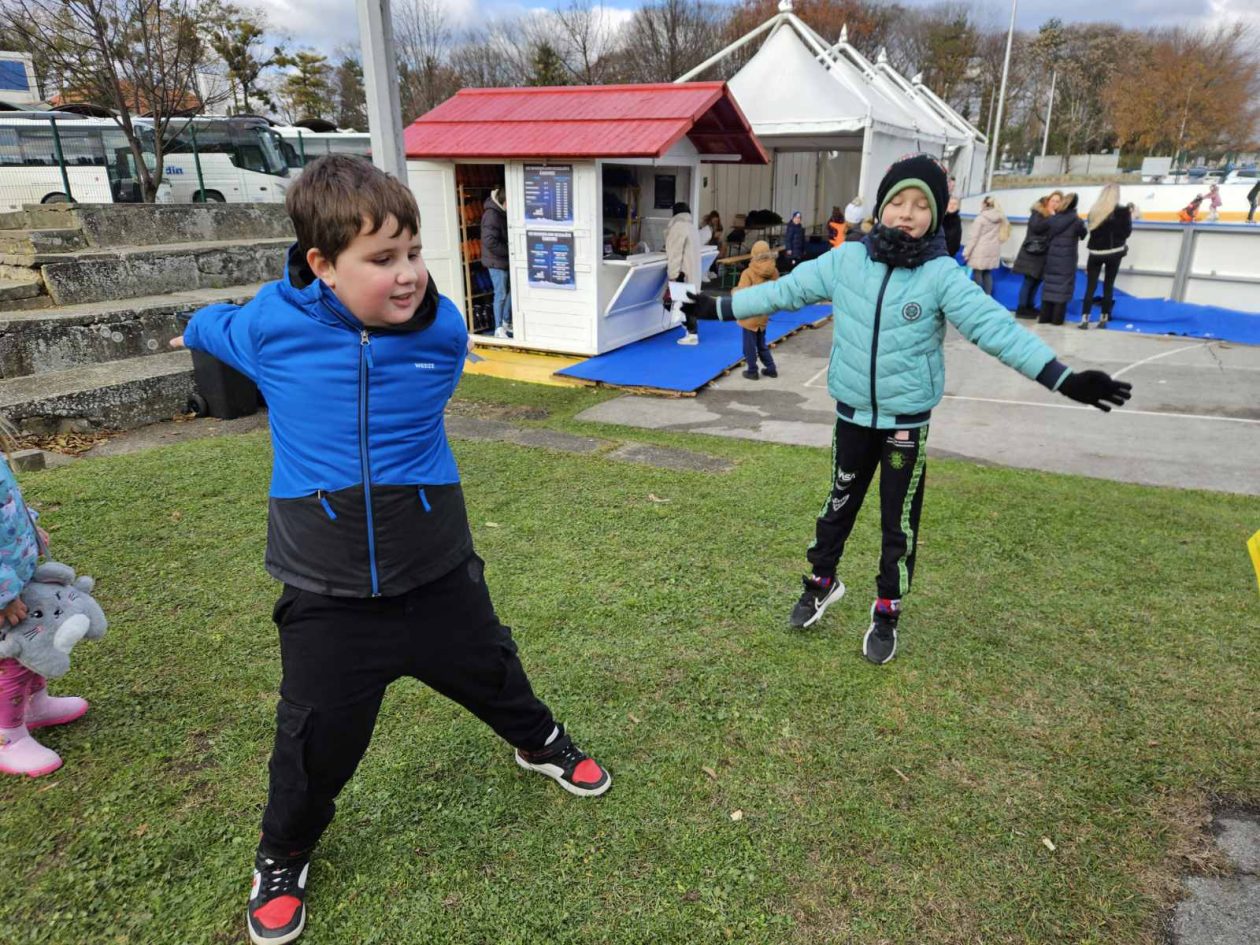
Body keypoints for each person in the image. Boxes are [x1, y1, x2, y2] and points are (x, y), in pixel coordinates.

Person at [173, 155, 611, 945]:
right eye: (381, 260)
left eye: (413, 250)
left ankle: (538, 740)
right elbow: (212, 326)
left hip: (436, 566)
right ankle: (282, 852)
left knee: (492, 665)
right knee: (312, 735)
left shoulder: (442, 328)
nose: (408, 274)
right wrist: (194, 326)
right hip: (326, 589)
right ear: (321, 266)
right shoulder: (272, 325)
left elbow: (435, 374)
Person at [681, 154, 1131, 664]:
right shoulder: (846, 261)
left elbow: (996, 330)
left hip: (905, 427)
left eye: (921, 205)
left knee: (898, 523)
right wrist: (714, 307)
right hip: (851, 415)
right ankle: (821, 583)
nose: (907, 213)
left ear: (935, 216)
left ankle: (887, 610)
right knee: (837, 507)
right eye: (898, 201)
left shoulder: (942, 275)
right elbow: (785, 292)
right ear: (881, 207)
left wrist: (1064, 379)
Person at [0, 425, 81, 778]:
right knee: (12, 663)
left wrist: (31, 525)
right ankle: (9, 737)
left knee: (35, 644)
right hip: (5, 595)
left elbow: (9, 501)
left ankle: (36, 706)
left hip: (17, 578)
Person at [1080, 183, 1133, 330]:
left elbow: (1091, 229)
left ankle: (1084, 319)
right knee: (1108, 286)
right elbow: (1127, 232)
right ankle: (1103, 318)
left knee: (1090, 286)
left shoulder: (1094, 211)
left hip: (1095, 253)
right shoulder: (1123, 211)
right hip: (1114, 252)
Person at [1011, 191, 1062, 318]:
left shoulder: (1056, 216)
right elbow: (1036, 227)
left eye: (1058, 201)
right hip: (1032, 253)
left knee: (1037, 281)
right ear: (1048, 201)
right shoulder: (1038, 212)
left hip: (1043, 254)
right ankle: (1022, 308)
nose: (1055, 203)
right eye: (1053, 200)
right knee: (1029, 281)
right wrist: (1051, 217)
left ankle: (1030, 306)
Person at [1039, 192, 1087, 326]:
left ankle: (1044, 318)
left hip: (1052, 257)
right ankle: (1056, 320)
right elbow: (1083, 234)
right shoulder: (1077, 221)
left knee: (1049, 287)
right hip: (1067, 259)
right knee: (1062, 288)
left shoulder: (1053, 219)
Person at [734, 240, 779, 380]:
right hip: (763, 313)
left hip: (750, 314)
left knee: (748, 346)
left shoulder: (748, 272)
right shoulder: (774, 271)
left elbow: (741, 293)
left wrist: (733, 291)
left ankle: (752, 370)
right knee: (761, 344)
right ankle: (771, 368)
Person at [666, 201, 702, 345]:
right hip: (692, 270)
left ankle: (692, 334)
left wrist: (673, 274)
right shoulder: (691, 227)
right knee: (690, 302)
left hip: (683, 271)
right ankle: (691, 333)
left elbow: (675, 254)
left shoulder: (677, 228)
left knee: (685, 303)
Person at [962, 195, 1010, 296]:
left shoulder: (981, 219)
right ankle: (987, 296)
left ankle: (977, 297)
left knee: (977, 274)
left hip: (980, 250)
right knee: (987, 273)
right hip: (993, 250)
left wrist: (966, 252)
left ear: (984, 204)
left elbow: (973, 238)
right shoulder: (999, 217)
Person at [481, 186, 511, 338]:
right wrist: (508, 252)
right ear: (503, 201)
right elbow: (489, 241)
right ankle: (499, 328)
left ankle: (505, 322)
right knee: (501, 294)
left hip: (501, 260)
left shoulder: (499, 212)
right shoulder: (492, 215)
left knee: (509, 293)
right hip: (496, 262)